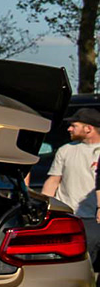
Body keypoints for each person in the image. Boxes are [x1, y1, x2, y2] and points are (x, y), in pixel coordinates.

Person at [43, 106, 100, 266]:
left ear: (88, 128)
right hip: (71, 217)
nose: (69, 129)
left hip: (95, 218)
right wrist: (45, 209)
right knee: (74, 265)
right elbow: (53, 181)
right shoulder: (65, 150)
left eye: (74, 125)